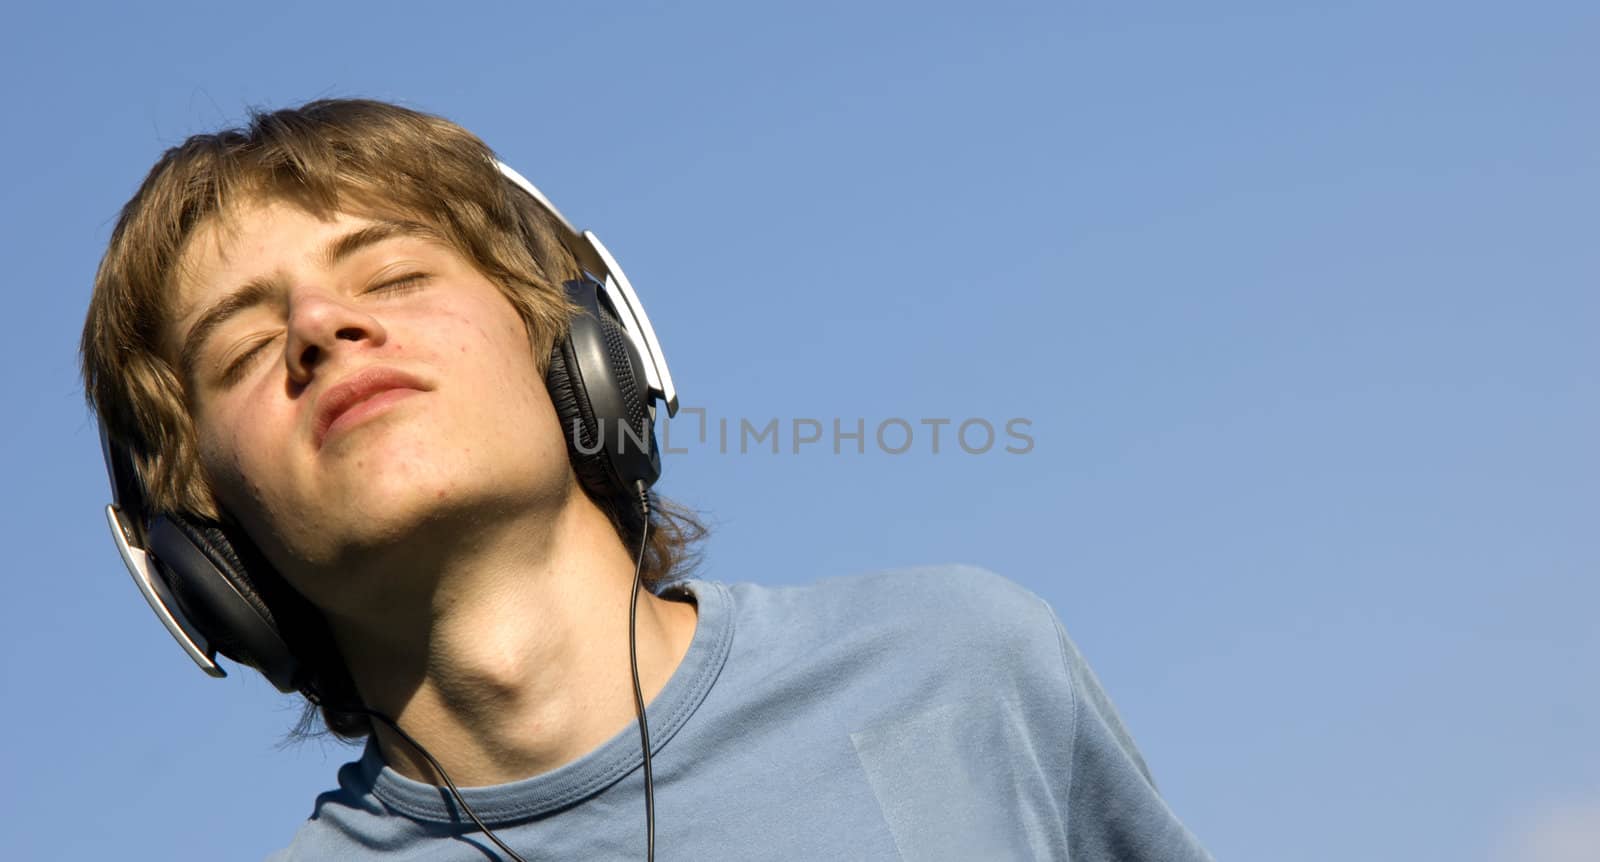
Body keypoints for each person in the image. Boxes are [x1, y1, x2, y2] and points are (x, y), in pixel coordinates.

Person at [81, 98, 1212, 861]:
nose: (323, 327)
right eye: (240, 352)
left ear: (581, 353)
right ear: (205, 555)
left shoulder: (958, 667)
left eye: (394, 274)